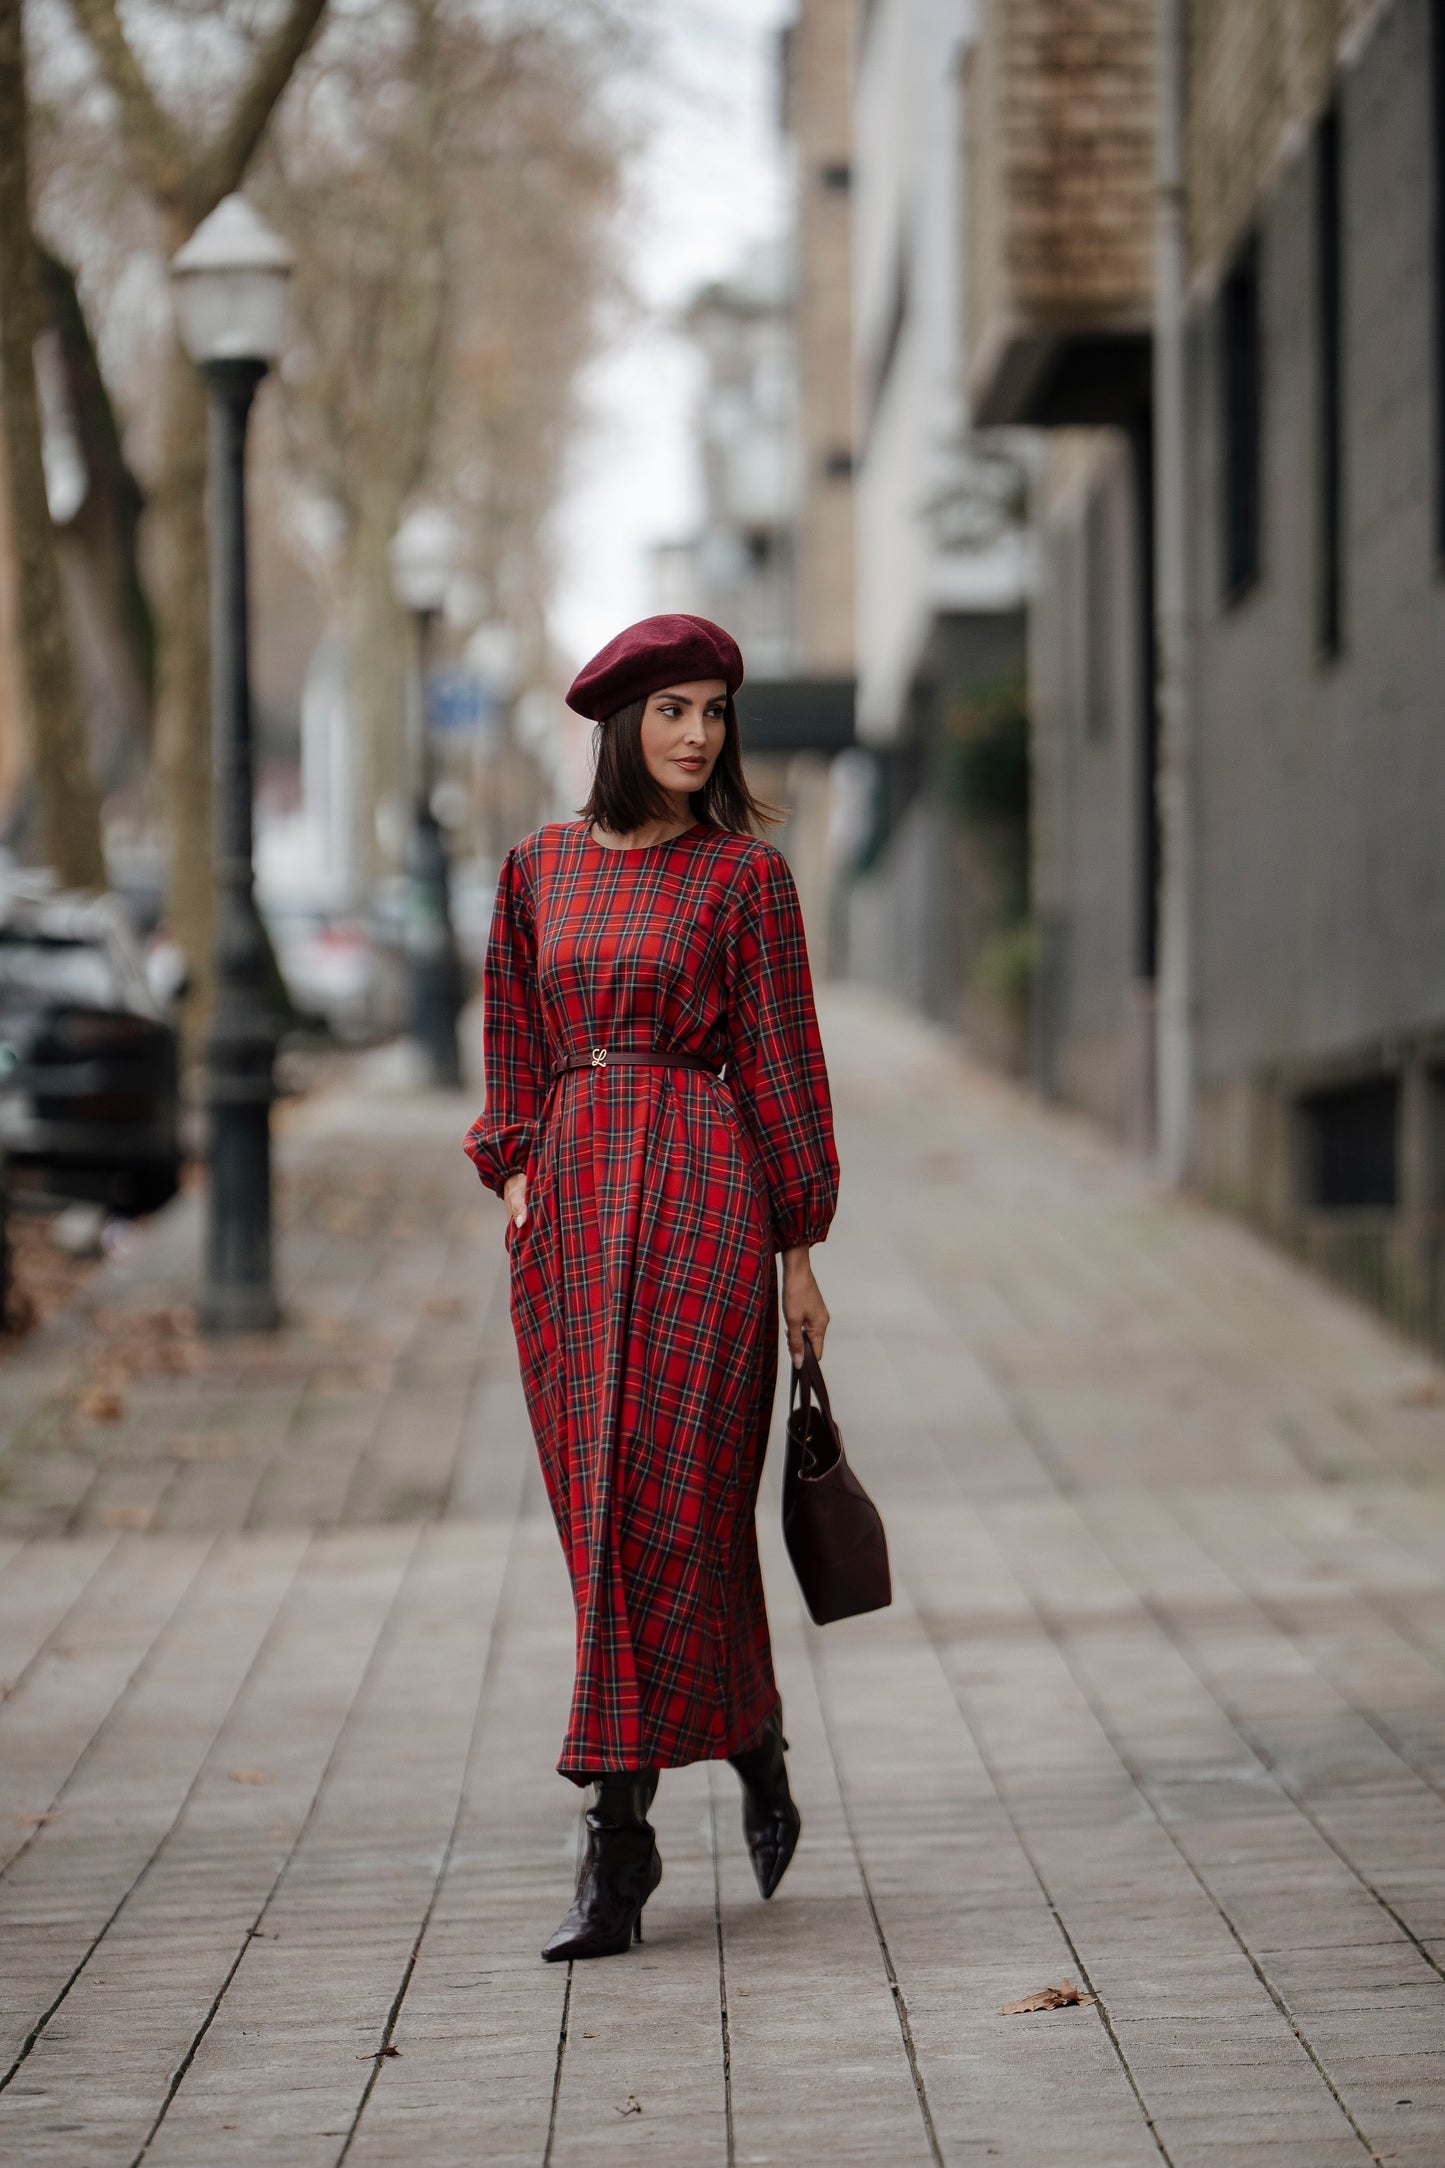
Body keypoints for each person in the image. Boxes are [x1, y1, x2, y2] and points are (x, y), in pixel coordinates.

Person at [465, 613, 839, 1962]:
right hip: (568, 1210)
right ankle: (752, 1741)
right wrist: (513, 1165)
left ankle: (614, 1857)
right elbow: (508, 1029)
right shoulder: (538, 870)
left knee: (672, 1505)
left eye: (715, 711)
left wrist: (799, 1254)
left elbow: (786, 1069)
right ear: (622, 725)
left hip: (700, 1197)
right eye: (673, 710)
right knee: (602, 1515)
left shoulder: (745, 878)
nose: (698, 735)